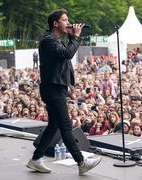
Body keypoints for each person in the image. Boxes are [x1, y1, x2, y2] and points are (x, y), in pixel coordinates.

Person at [26, 9, 101, 175]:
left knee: (54, 125)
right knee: (66, 125)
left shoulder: (56, 40)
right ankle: (81, 162)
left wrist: (71, 36)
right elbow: (67, 54)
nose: (68, 23)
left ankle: (36, 159)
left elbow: (62, 59)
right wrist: (75, 37)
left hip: (56, 88)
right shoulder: (49, 41)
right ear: (55, 23)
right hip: (52, 89)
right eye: (65, 20)